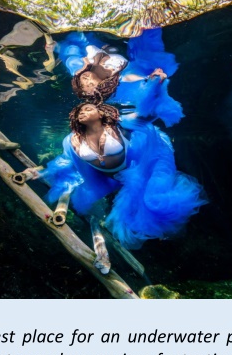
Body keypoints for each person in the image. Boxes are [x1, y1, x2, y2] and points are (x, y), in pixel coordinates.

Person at [43, 101, 206, 249]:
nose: (82, 112)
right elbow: (69, 160)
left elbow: (149, 113)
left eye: (87, 109)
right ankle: (111, 210)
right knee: (112, 203)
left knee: (152, 204)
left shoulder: (120, 127)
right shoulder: (73, 140)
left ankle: (161, 241)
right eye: (79, 111)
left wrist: (156, 86)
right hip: (105, 179)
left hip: (135, 174)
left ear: (100, 113)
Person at [57, 30, 184, 126]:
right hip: (128, 57)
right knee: (149, 52)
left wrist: (56, 47)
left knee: (77, 40)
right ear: (101, 86)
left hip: (103, 45)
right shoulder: (120, 80)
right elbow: (136, 83)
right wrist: (155, 79)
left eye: (81, 82)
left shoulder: (78, 67)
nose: (86, 80)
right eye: (90, 85)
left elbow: (69, 50)